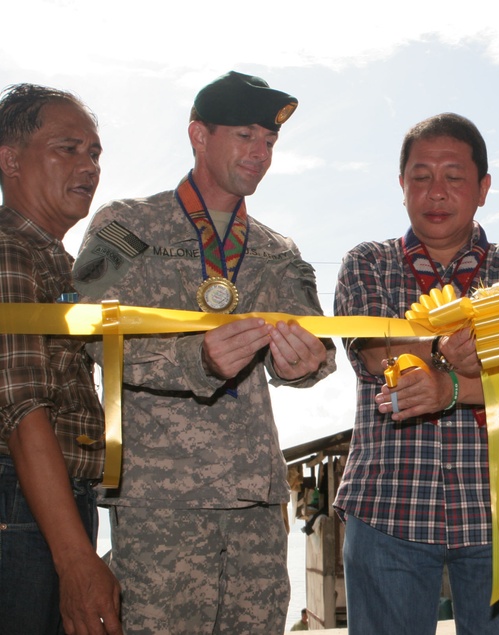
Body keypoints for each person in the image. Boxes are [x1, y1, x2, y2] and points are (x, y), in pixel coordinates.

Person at [72, 71, 335, 634]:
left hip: (256, 502)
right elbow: (89, 334)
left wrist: (306, 364)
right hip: (159, 501)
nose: (261, 153)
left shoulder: (276, 251)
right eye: (245, 136)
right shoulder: (126, 226)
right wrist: (195, 361)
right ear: (198, 134)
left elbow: (320, 345)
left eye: (270, 142)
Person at [333, 112, 499, 635]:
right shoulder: (367, 262)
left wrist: (449, 388)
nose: (436, 191)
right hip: (386, 506)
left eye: (454, 176)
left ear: (482, 188)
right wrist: (449, 349)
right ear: (402, 184)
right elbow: (369, 347)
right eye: (421, 176)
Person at [0, 84, 122, 635]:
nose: (88, 166)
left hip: (52, 506)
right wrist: (76, 559)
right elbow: (22, 410)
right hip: (21, 507)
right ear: (10, 159)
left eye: (94, 152)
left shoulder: (58, 262)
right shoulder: (8, 248)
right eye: (68, 148)